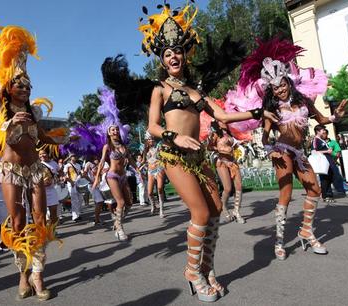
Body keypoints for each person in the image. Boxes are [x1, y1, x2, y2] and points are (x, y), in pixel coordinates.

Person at [110, 4, 278, 302]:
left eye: (177, 51)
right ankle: (191, 272)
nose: (173, 56)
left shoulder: (196, 89)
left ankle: (207, 269)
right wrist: (175, 136)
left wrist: (258, 110)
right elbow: (152, 126)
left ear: (185, 54)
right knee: (200, 212)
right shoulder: (159, 89)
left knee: (214, 212)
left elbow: (223, 117)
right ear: (162, 59)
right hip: (173, 156)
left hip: (199, 158)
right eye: (167, 53)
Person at [0, 26, 68, 300]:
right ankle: (22, 274)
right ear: (10, 88)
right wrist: (8, 120)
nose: (24, 88)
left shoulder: (34, 111)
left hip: (34, 170)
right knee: (18, 221)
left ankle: (38, 274)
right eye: (19, 84)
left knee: (40, 219)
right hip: (10, 170)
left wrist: (63, 139)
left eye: (28, 86)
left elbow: (42, 137)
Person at [237, 38, 348, 260]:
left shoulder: (304, 101)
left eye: (283, 85)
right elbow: (266, 138)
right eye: (275, 87)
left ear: (288, 82)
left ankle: (306, 231)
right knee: (286, 193)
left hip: (299, 152)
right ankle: (279, 242)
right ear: (272, 89)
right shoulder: (272, 109)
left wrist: (336, 116)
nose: (280, 90)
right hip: (282, 151)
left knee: (314, 190)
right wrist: (271, 150)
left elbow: (321, 119)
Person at [93, 125, 138, 241]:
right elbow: (102, 162)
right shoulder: (107, 146)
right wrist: (97, 178)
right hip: (112, 176)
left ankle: (117, 222)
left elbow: (131, 160)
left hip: (123, 176)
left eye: (117, 129)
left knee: (129, 203)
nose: (115, 131)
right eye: (112, 129)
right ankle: (120, 229)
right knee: (121, 202)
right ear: (108, 133)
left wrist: (138, 170)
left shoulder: (124, 146)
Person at [207, 122, 245, 223]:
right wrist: (219, 149)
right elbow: (209, 147)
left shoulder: (230, 132)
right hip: (221, 161)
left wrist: (239, 145)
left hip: (232, 161)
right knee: (228, 188)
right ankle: (224, 207)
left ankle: (236, 212)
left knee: (239, 186)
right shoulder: (215, 133)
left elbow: (234, 145)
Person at [142, 132, 166, 218]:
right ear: (147, 141)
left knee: (159, 188)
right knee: (149, 192)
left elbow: (163, 157)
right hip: (150, 171)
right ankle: (154, 206)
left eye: (152, 139)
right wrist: (140, 167)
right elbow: (144, 160)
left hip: (159, 169)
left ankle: (161, 210)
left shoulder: (158, 147)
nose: (151, 140)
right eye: (149, 139)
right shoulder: (145, 150)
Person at [324, 129, 348, 198]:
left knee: (338, 177)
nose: (322, 134)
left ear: (327, 134)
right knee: (324, 180)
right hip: (323, 165)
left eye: (324, 133)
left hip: (332, 164)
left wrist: (331, 154)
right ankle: (327, 194)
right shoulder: (319, 143)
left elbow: (338, 154)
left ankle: (346, 189)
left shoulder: (333, 142)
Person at [39, 150, 60, 226]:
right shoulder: (37, 164)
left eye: (44, 153)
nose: (42, 155)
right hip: (41, 192)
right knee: (42, 214)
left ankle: (53, 232)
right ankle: (44, 232)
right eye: (40, 154)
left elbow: (59, 172)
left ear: (48, 153)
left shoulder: (54, 163)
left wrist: (61, 177)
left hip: (52, 190)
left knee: (54, 212)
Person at [82, 156, 106, 226]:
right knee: (99, 201)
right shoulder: (88, 163)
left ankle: (97, 219)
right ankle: (96, 219)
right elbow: (84, 174)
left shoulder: (99, 162)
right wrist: (92, 181)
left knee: (98, 203)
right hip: (92, 185)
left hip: (100, 184)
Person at [64, 154, 84, 222]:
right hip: (71, 184)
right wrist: (71, 182)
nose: (75, 157)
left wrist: (82, 174)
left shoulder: (78, 165)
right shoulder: (67, 165)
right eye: (73, 156)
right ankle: (75, 216)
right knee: (74, 200)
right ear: (70, 157)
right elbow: (65, 175)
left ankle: (78, 213)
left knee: (80, 199)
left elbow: (80, 173)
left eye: (75, 156)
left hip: (78, 183)